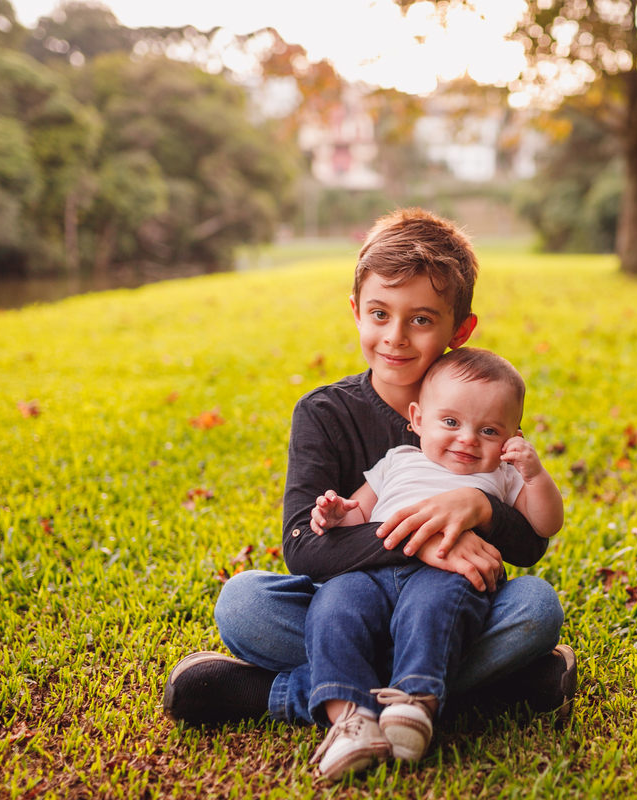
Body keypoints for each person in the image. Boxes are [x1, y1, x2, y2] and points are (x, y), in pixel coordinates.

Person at [162, 207, 577, 751]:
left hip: (450, 607)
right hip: (345, 606)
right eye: (380, 314)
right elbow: (304, 549)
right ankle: (489, 688)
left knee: (536, 608)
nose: (395, 337)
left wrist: (481, 509)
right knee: (243, 603)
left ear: (460, 329)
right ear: (357, 311)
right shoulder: (322, 413)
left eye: (421, 320)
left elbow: (529, 547)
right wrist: (421, 540)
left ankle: (275, 694)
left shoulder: (479, 406)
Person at [304, 347, 563, 780]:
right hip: (369, 576)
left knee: (438, 612)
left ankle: (414, 701)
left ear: (511, 438)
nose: (467, 439)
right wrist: (334, 515)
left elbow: (545, 524)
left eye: (488, 430)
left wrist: (534, 476)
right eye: (451, 422)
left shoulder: (502, 475)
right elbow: (358, 515)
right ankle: (351, 718)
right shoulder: (396, 461)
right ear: (418, 419)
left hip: (447, 575)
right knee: (331, 605)